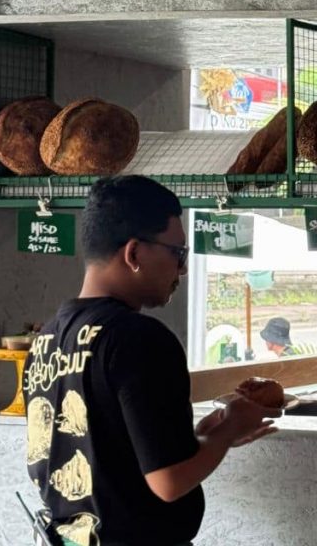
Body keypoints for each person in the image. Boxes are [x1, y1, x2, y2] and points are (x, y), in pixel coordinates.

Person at [23, 175, 280, 546]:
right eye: (178, 254)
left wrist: (202, 439)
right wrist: (228, 430)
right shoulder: (139, 339)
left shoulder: (45, 340)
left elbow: (110, 461)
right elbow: (168, 483)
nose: (183, 270)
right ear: (134, 254)